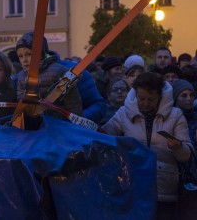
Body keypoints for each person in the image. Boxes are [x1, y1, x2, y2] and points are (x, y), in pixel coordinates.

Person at [102, 72, 192, 219]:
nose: (145, 103)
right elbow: (103, 136)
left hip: (164, 188)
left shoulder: (176, 115)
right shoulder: (123, 114)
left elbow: (186, 155)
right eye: (141, 98)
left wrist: (177, 148)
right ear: (135, 94)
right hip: (132, 185)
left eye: (151, 99)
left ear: (160, 97)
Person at [16, 32, 83, 119]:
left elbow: (73, 102)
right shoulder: (21, 76)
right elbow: (21, 102)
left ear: (40, 53)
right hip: (36, 124)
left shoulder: (58, 71)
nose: (24, 60)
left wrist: (76, 124)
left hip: (61, 124)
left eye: (29, 54)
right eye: (20, 56)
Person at [172, 79, 197, 220]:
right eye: (184, 95)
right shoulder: (170, 119)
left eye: (191, 95)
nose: (189, 99)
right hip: (175, 177)